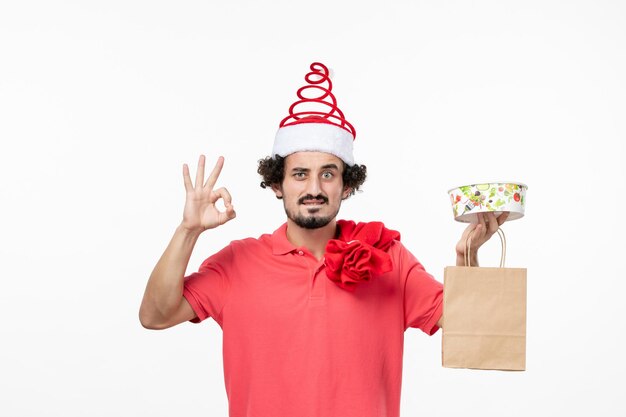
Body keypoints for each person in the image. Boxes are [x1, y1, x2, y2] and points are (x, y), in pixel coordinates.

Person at [139, 62, 509, 417]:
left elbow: (478, 335)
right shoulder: (237, 263)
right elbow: (155, 316)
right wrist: (188, 231)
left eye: (328, 175)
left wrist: (468, 257)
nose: (313, 188)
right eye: (299, 174)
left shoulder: (388, 256)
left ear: (346, 185)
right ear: (276, 185)